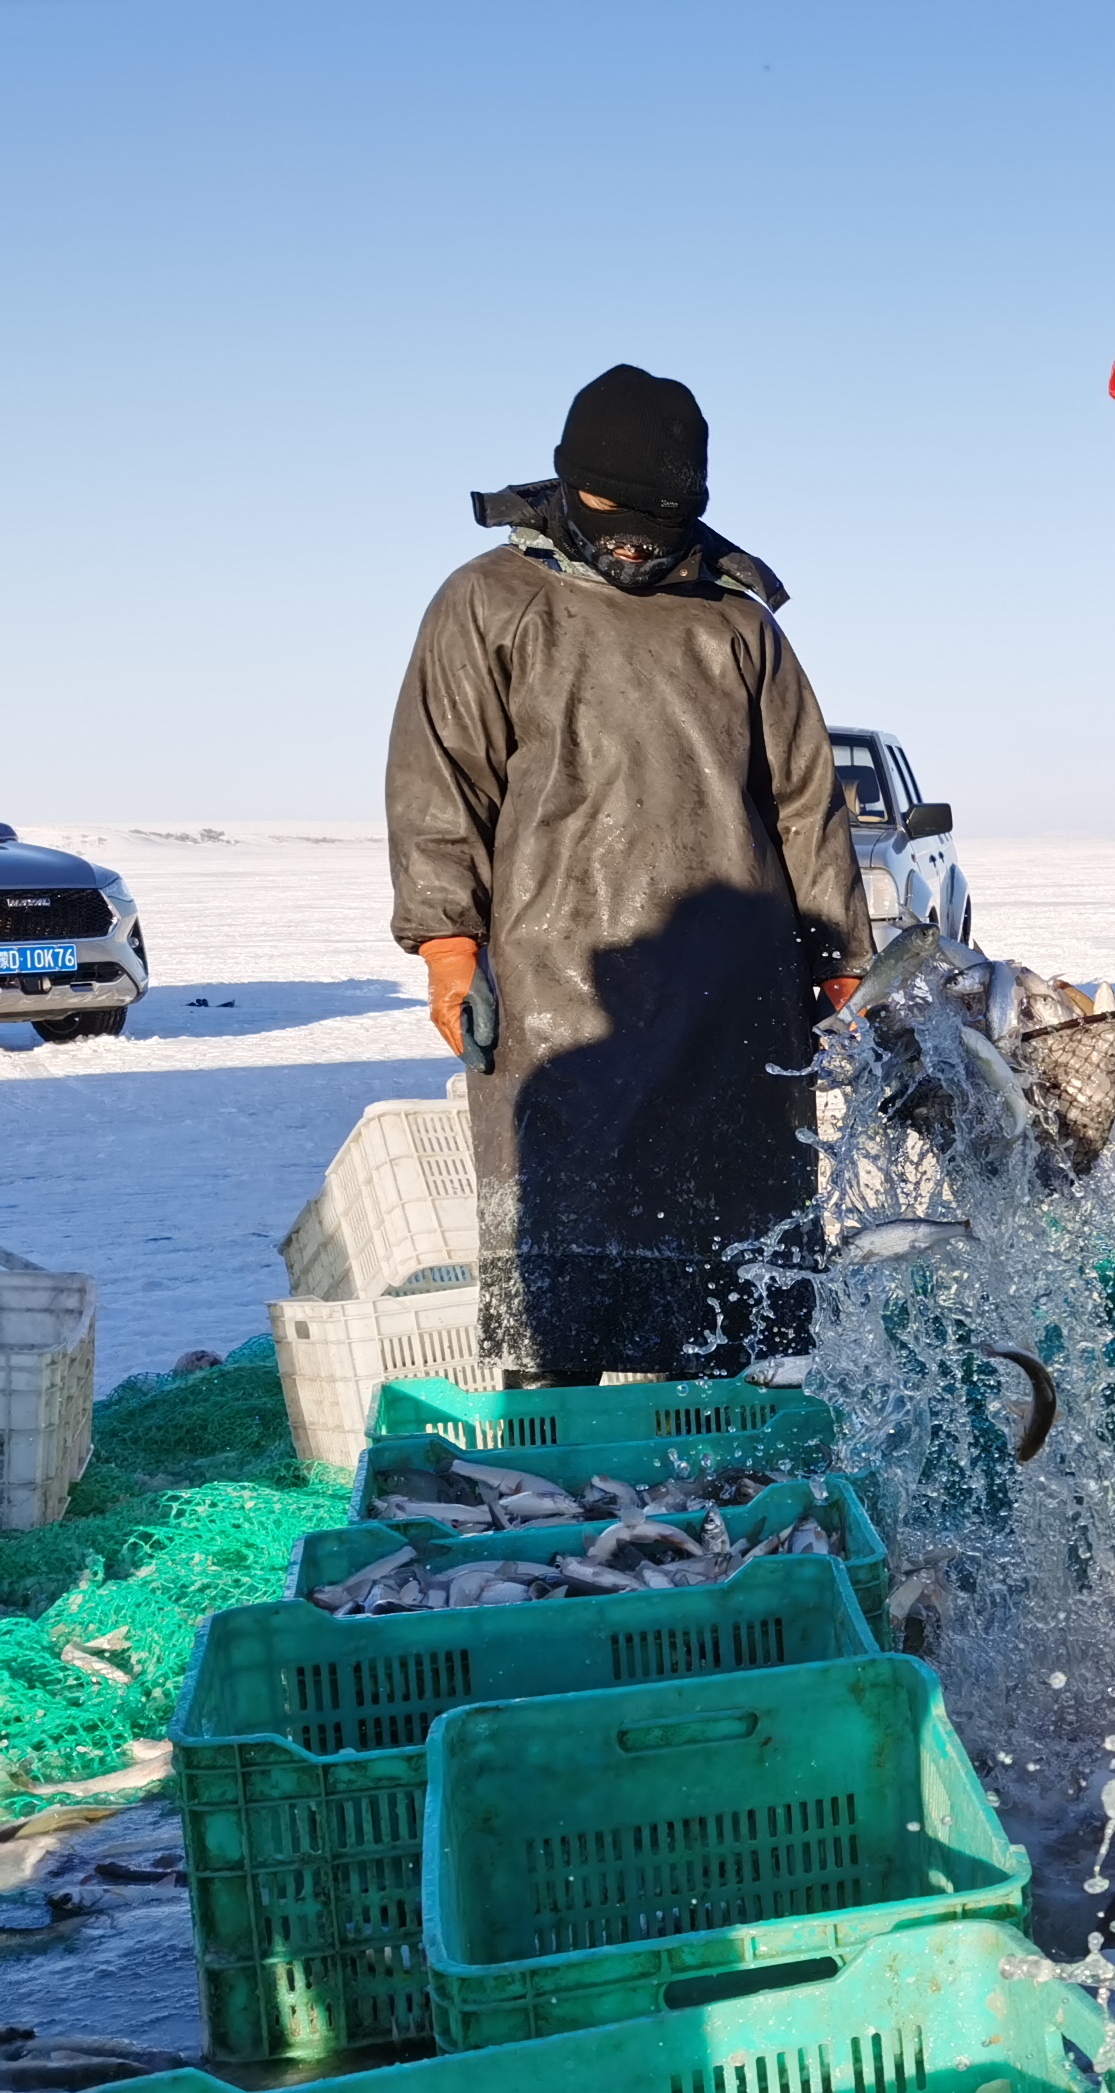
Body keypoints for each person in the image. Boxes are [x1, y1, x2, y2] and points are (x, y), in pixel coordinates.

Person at [387, 364, 863, 1387]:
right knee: (563, 1238)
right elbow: (440, 784)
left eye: (659, 519)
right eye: (613, 515)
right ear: (567, 489)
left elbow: (805, 806)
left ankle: (726, 1455)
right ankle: (553, 1429)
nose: (636, 541)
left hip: (733, 996)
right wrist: (448, 944)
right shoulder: (490, 602)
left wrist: (838, 960)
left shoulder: (739, 625)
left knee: (733, 1256)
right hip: (561, 985)